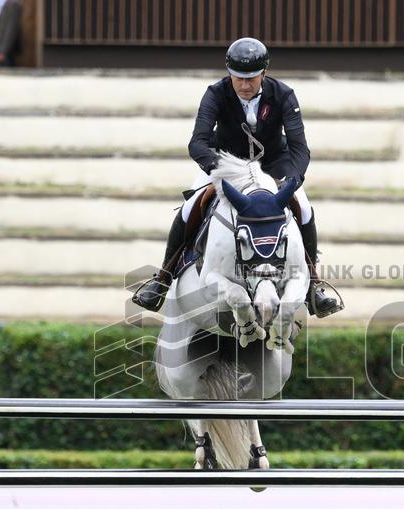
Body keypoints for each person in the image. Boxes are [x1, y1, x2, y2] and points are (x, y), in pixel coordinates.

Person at [133, 37, 341, 318]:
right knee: (189, 206)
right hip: (226, 162)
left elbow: (299, 147)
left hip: (272, 164)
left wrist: (292, 181)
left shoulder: (283, 94)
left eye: (252, 79)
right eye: (239, 78)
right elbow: (198, 143)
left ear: (263, 73)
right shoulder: (215, 93)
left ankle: (314, 285)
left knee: (303, 208)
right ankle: (163, 278)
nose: (245, 85)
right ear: (230, 74)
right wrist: (218, 171)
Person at [0, 0, 22, 66]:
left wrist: (3, 52)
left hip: (5, 51)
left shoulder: (13, 4)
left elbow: (11, 30)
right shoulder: (1, 4)